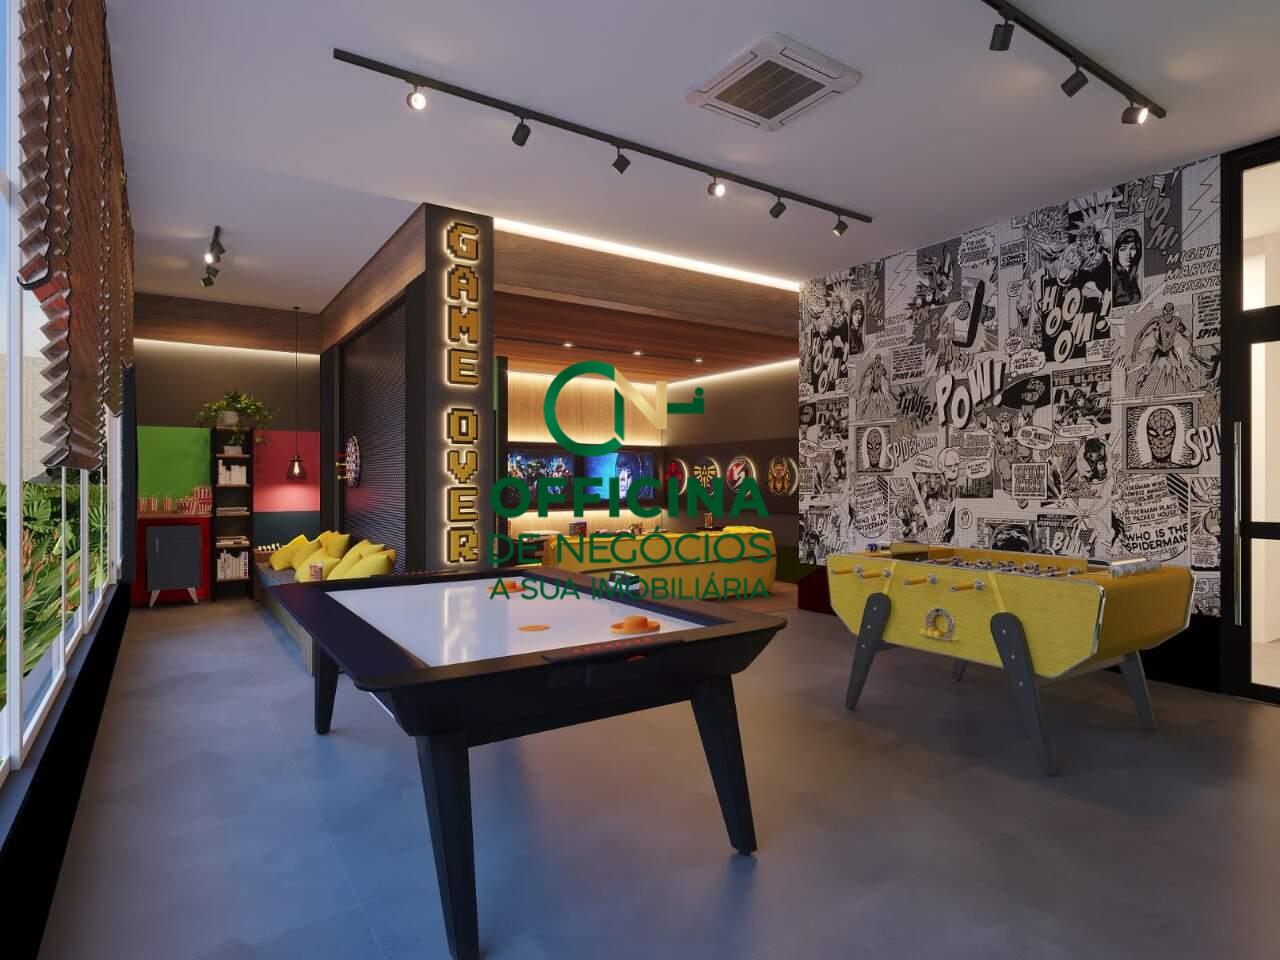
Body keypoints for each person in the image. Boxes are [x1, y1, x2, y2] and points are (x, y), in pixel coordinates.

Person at [1113, 228, 1142, 307]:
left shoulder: (1132, 275)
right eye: (1123, 249)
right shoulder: (1114, 276)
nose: (1128, 254)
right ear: (1116, 252)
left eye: (1132, 248)